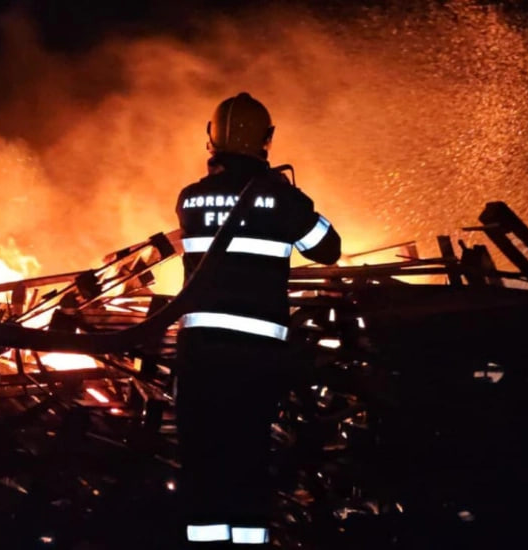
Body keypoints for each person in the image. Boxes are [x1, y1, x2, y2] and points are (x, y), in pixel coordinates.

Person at [175, 92, 341, 547]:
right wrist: (290, 199)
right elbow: (328, 248)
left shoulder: (189, 199)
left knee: (202, 462)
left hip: (199, 357)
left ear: (212, 139)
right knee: (247, 460)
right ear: (267, 139)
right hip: (254, 360)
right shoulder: (283, 199)